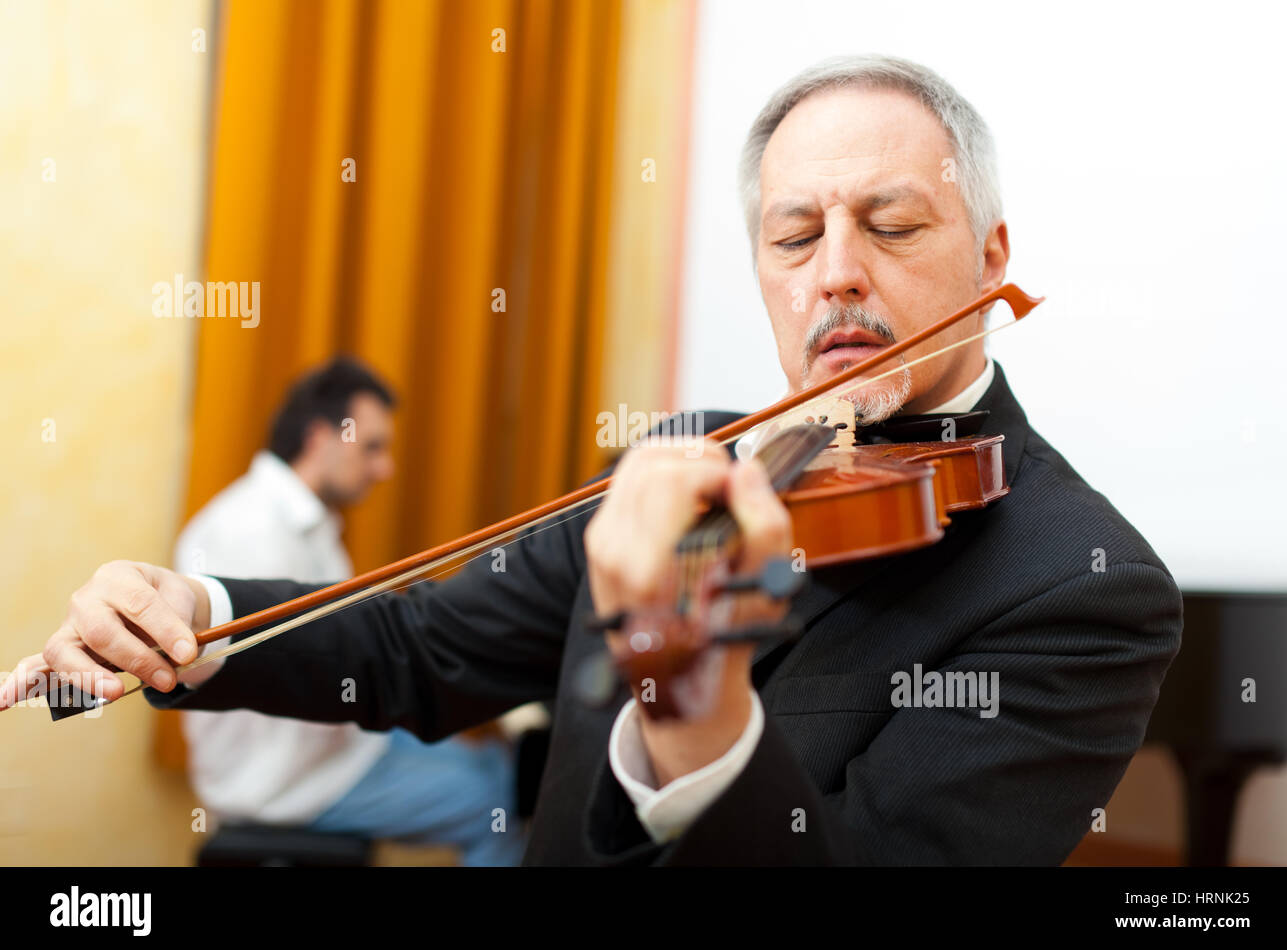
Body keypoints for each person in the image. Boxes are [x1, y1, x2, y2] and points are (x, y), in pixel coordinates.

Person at [5, 55, 1182, 864]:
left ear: (990, 256)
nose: (833, 272)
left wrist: (692, 702)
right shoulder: (688, 457)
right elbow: (419, 648)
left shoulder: (1082, 583)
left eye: (890, 224)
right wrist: (195, 610)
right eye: (792, 235)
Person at [174, 357, 524, 866]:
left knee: (498, 762)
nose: (386, 468)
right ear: (320, 438)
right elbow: (295, 670)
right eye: (373, 448)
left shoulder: (306, 522)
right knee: (496, 801)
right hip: (285, 778)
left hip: (333, 748)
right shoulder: (249, 532)